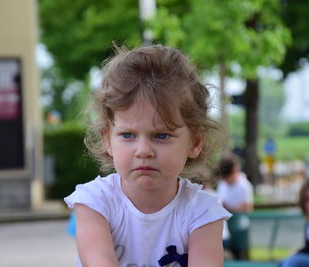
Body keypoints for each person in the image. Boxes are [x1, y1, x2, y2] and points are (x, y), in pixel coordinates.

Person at [64, 44, 231, 267]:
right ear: (108, 140)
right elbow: (99, 260)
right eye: (128, 135)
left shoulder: (202, 212)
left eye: (161, 135)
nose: (143, 150)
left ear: (195, 142)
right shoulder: (95, 202)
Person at [215, 153, 254, 260]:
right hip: (225, 227)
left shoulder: (243, 185)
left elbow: (248, 207)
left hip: (239, 227)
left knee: (239, 255)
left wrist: (229, 208)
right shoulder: (222, 185)